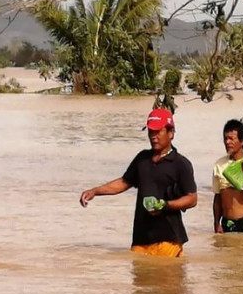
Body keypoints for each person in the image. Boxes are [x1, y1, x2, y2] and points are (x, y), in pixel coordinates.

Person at [79, 108, 198, 257]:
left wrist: (165, 205)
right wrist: (95, 191)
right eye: (150, 132)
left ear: (171, 132)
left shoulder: (180, 164)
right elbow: (124, 182)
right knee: (139, 279)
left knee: (167, 278)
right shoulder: (142, 159)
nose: (153, 137)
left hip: (168, 240)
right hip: (140, 239)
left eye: (157, 131)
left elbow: (192, 199)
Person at [212, 119, 243, 235]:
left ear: (242, 141)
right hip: (227, 222)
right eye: (225, 138)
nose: (228, 142)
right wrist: (216, 223)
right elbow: (217, 198)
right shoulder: (219, 164)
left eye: (231, 139)